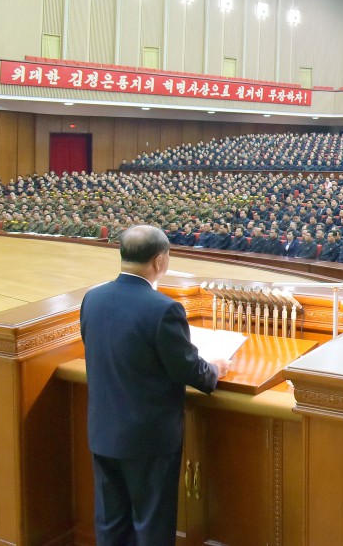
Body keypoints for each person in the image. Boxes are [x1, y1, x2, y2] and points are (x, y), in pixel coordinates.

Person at [81, 225, 231, 545]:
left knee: (110, 524)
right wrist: (214, 368)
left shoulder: (92, 298)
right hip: (147, 440)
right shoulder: (163, 308)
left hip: (103, 431)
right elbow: (188, 369)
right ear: (160, 261)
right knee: (152, 524)